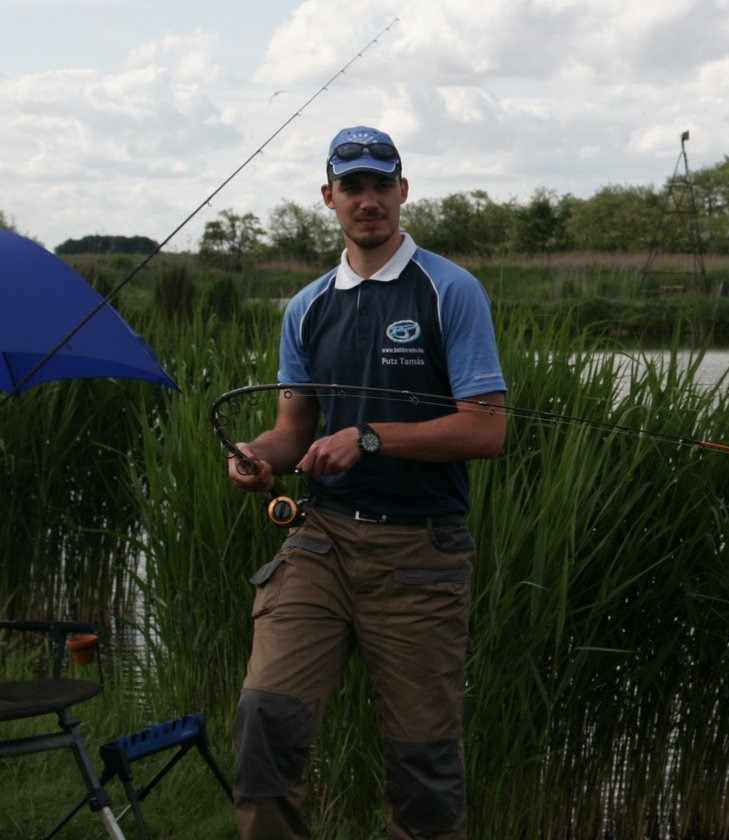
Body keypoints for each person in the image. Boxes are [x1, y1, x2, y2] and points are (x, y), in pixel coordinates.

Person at [225, 125, 506, 840]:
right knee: (266, 719)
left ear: (403, 192)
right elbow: (292, 430)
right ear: (329, 197)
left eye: (381, 184)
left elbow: (486, 429)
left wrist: (372, 438)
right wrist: (259, 457)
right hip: (319, 545)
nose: (368, 199)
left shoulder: (450, 290)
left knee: (423, 767)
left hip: (421, 556)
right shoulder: (307, 306)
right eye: (353, 186)